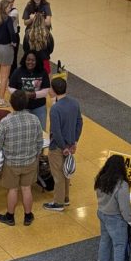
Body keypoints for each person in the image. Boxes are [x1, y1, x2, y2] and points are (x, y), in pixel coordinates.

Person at [0, 90, 43, 227]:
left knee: (13, 189)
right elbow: (40, 142)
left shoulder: (5, 122)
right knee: (27, 188)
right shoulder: (34, 119)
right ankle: (28, 216)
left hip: (11, 163)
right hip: (30, 161)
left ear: (11, 103)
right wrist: (36, 155)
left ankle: (10, 216)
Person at [95, 154, 131, 261]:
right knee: (120, 244)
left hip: (102, 212)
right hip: (115, 218)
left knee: (105, 239)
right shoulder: (122, 185)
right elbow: (124, 207)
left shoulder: (101, 178)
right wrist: (129, 219)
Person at [44, 77, 81, 212]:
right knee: (66, 172)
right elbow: (79, 122)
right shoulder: (75, 103)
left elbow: (56, 131)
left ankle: (58, 203)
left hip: (58, 147)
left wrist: (63, 147)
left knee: (58, 174)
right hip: (71, 144)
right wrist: (74, 142)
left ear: (53, 90)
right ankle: (65, 198)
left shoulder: (55, 109)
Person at [7, 51, 50, 127]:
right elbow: (10, 87)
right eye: (28, 60)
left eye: (33, 60)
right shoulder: (18, 71)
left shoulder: (43, 72)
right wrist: (22, 94)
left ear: (37, 61)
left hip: (39, 107)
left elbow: (46, 90)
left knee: (41, 129)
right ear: (24, 60)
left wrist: (34, 95)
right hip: (22, 108)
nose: (30, 62)